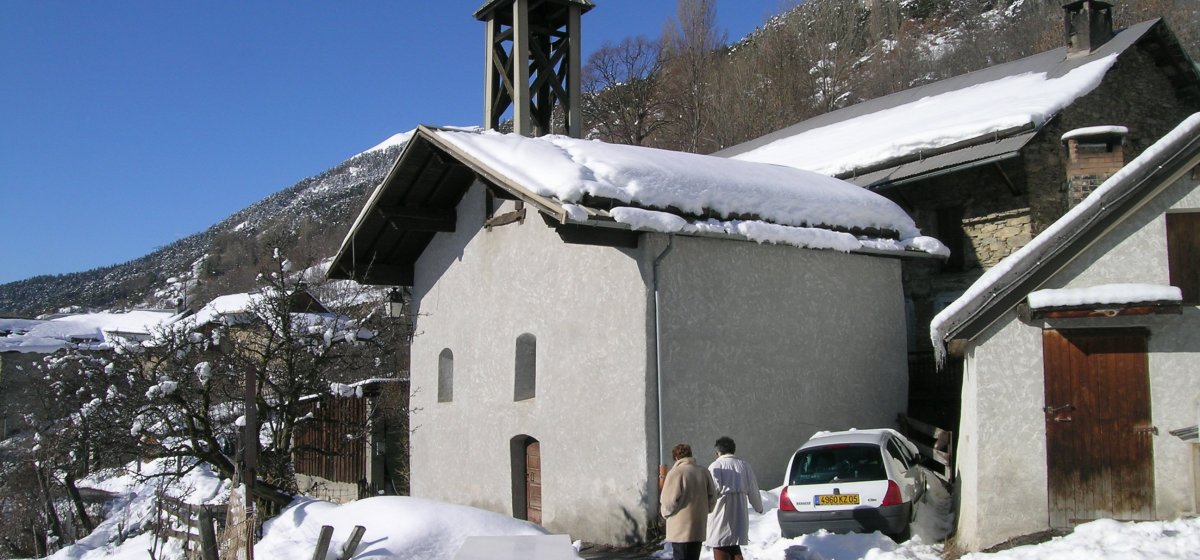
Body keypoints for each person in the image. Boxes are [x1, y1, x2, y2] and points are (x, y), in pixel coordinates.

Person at [706, 436, 763, 560]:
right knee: (734, 546)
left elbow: (712, 492)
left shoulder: (716, 466)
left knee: (720, 545)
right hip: (739, 511)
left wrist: (706, 509)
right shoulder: (744, 466)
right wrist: (759, 507)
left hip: (721, 511)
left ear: (718, 451)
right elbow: (753, 490)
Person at [660, 443, 718, 560]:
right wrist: (707, 509)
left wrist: (665, 514)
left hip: (680, 528)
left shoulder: (675, 473)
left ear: (676, 458)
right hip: (698, 525)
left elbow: (668, 502)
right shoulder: (703, 472)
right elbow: (712, 496)